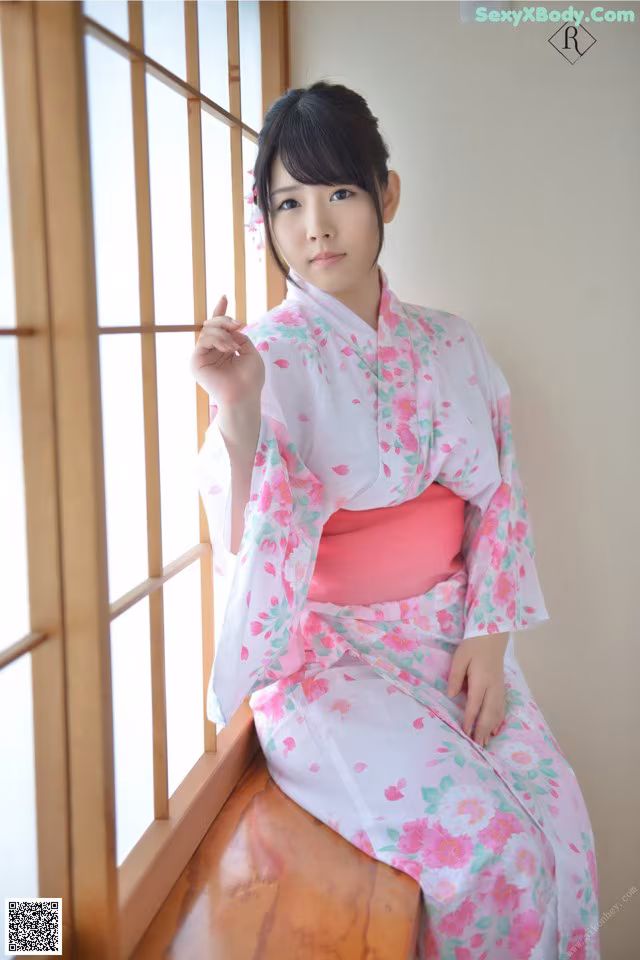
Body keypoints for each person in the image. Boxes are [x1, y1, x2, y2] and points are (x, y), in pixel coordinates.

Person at [191, 81, 600, 960]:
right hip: (332, 664)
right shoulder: (269, 357)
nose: (317, 227)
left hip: (452, 635)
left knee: (560, 827)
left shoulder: (452, 343)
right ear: (264, 220)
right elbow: (247, 533)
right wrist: (237, 408)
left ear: (389, 194)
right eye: (288, 203)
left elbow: (499, 495)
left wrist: (489, 632)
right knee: (492, 857)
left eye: (340, 192)